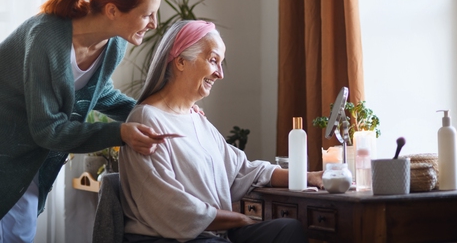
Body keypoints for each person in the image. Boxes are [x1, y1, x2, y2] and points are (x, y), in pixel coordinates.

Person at [0, 0, 169, 243]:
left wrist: (161, 112)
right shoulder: (46, 37)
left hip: (24, 146)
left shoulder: (114, 42)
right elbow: (49, 130)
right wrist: (120, 132)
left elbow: (100, 94)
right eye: (147, 15)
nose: (154, 24)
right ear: (113, 10)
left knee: (18, 232)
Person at [118, 20, 324, 243]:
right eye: (213, 60)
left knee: (287, 230)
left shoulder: (197, 120)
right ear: (180, 62)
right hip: (171, 239)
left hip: (210, 235)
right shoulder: (147, 119)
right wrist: (240, 219)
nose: (220, 74)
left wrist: (309, 177)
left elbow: (242, 172)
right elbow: (170, 207)